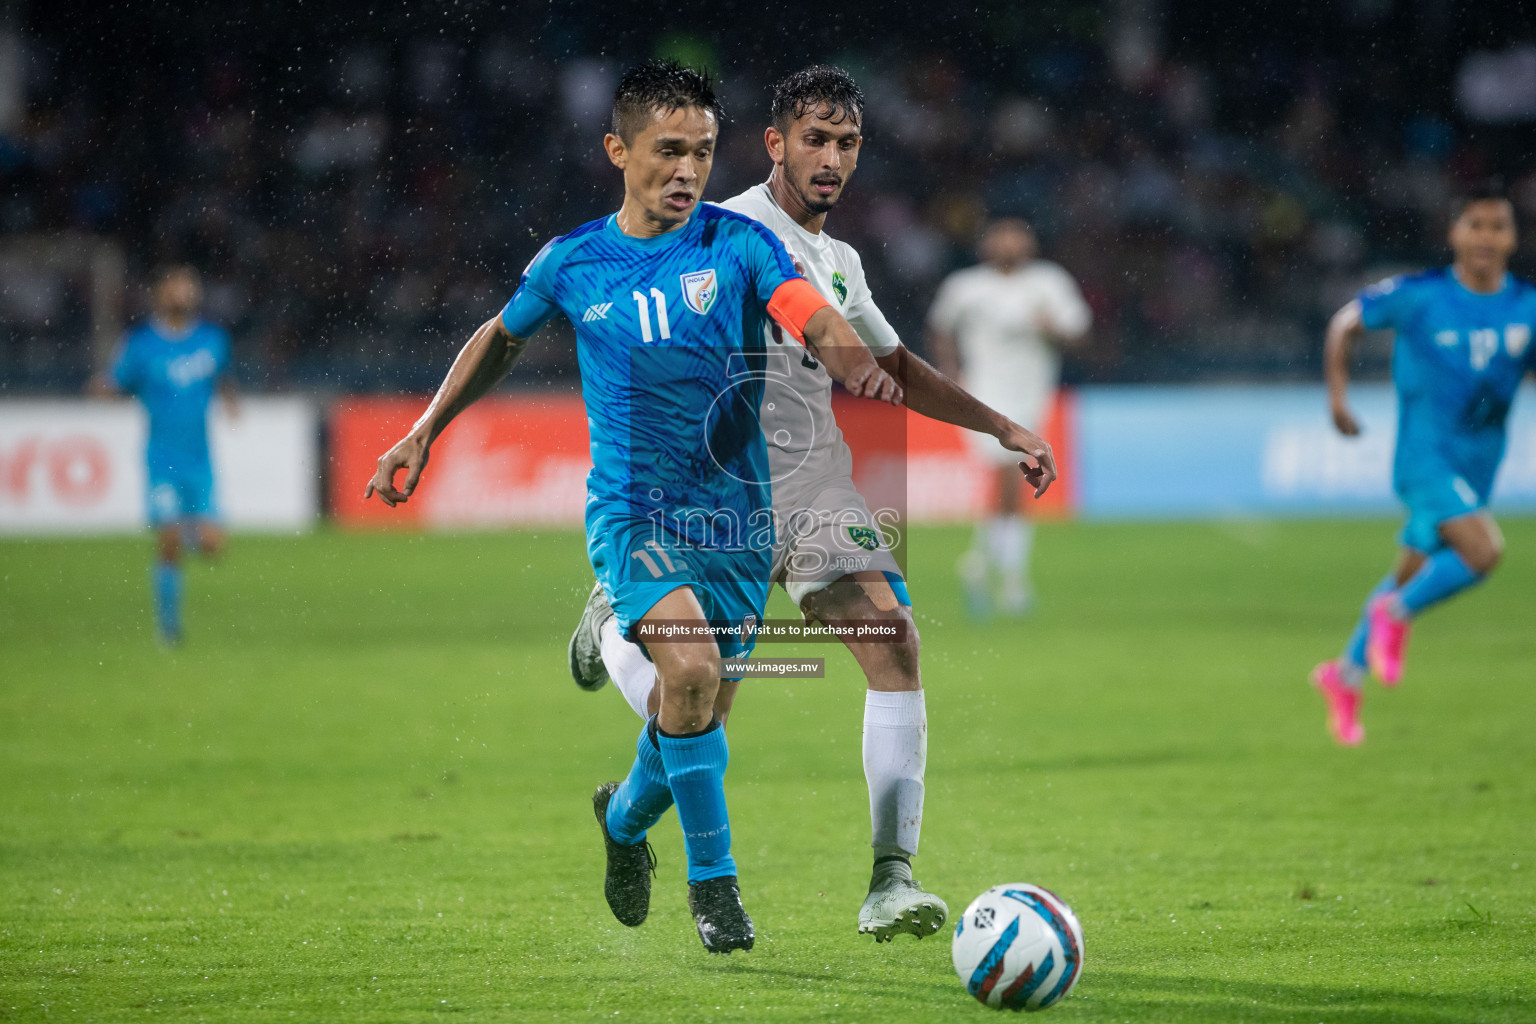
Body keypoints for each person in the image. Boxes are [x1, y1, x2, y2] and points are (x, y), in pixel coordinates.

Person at [364, 60, 902, 954]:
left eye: (700, 152)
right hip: (634, 516)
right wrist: (425, 429)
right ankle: (715, 886)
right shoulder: (575, 261)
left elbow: (802, 303)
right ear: (619, 150)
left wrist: (842, 350)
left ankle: (621, 822)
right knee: (688, 674)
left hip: (735, 520)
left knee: (698, 713)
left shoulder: (737, 243)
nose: (687, 170)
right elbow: (501, 338)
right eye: (667, 152)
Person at [566, 66, 1058, 942]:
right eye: (815, 140)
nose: (831, 159)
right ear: (775, 145)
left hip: (818, 484)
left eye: (848, 144)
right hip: (727, 497)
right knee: (699, 708)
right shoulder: (727, 230)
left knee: (893, 640)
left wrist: (1000, 425)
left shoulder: (842, 260)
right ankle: (615, 656)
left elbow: (896, 365)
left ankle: (890, 880)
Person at [1312, 183, 1535, 746]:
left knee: (1411, 570)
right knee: (1482, 552)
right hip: (1423, 460)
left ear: (1513, 237)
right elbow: (1345, 324)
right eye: (1475, 225)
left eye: (1497, 227)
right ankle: (1396, 615)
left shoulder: (1526, 307)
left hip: (1478, 462)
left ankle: (1344, 677)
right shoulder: (1420, 296)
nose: (1486, 237)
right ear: (1454, 233)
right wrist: (1338, 399)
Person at [927, 219, 1091, 616]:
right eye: (1003, 239)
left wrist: (1051, 328)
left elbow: (1079, 333)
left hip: (1031, 395)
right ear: (987, 246)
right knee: (1011, 477)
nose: (1011, 246)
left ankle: (980, 563)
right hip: (983, 398)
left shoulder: (1048, 283)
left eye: (1019, 239)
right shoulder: (966, 287)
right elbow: (940, 329)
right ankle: (1014, 581)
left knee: (1015, 482)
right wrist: (951, 376)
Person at [90, 265, 236, 645]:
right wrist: (102, 389)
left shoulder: (212, 340)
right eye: (177, 287)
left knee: (212, 547)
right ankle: (169, 631)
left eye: (190, 288)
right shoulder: (141, 344)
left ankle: (191, 530)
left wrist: (230, 401)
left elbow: (222, 377)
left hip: (201, 460)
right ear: (161, 294)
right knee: (168, 540)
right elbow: (117, 380)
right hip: (162, 459)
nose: (185, 294)